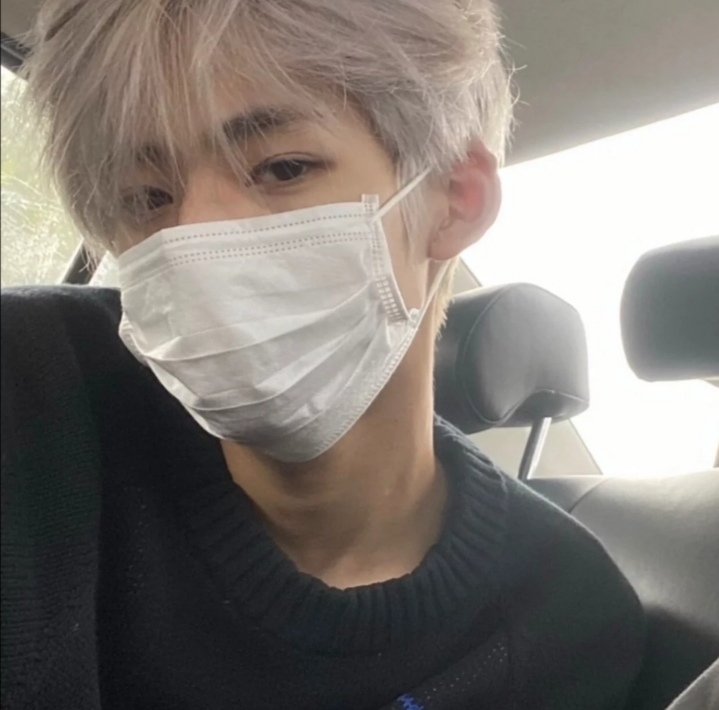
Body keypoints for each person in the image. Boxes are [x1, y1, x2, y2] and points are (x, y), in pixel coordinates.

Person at [0, 1, 645, 708]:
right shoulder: (28, 390)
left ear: (456, 198)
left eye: (282, 168)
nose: (193, 235)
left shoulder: (564, 620)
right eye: (147, 197)